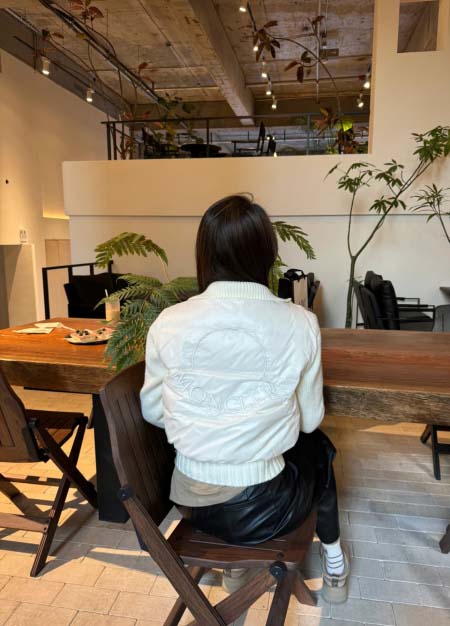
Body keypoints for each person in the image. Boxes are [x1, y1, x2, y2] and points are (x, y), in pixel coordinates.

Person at [140, 194, 350, 604]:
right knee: (320, 450)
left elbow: (152, 411)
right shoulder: (300, 323)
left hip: (189, 501)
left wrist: (212, 419)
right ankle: (335, 563)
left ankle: (235, 569)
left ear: (204, 254)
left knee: (294, 450)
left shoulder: (169, 322)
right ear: (268, 256)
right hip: (263, 510)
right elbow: (309, 422)